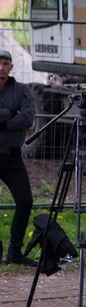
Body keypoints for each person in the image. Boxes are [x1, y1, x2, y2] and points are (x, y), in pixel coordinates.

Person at [0, 49, 37, 266]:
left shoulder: (22, 90)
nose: (1, 67)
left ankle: (14, 251)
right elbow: (18, 116)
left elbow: (28, 118)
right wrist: (9, 113)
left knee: (25, 201)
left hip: (13, 157)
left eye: (5, 63)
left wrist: (4, 122)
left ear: (11, 66)